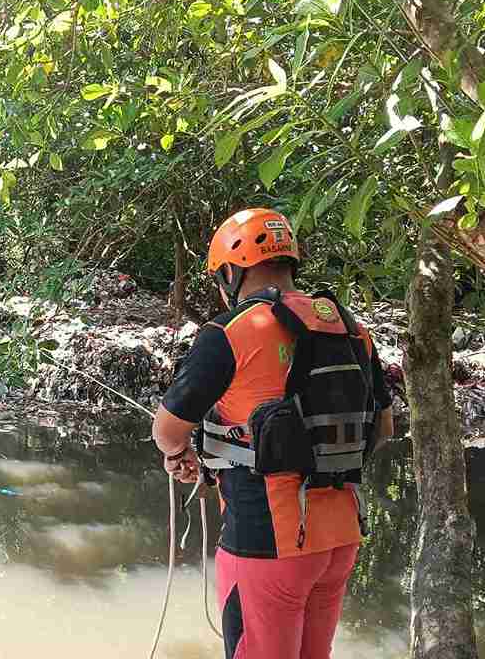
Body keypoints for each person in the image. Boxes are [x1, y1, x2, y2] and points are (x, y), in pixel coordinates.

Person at [152, 208, 394, 659]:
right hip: (340, 538)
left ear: (231, 271)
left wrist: (179, 453)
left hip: (268, 539)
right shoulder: (350, 328)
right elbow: (382, 429)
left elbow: (166, 429)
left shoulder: (231, 332)